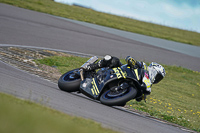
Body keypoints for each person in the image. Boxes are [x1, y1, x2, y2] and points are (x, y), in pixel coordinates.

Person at [85, 55, 166, 102]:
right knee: (113, 60)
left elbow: (139, 99)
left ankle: (111, 93)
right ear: (154, 69)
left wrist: (141, 96)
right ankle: (91, 67)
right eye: (158, 76)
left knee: (122, 103)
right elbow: (129, 59)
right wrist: (132, 61)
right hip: (120, 71)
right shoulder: (143, 66)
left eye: (159, 78)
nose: (157, 79)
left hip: (124, 84)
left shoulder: (148, 84)